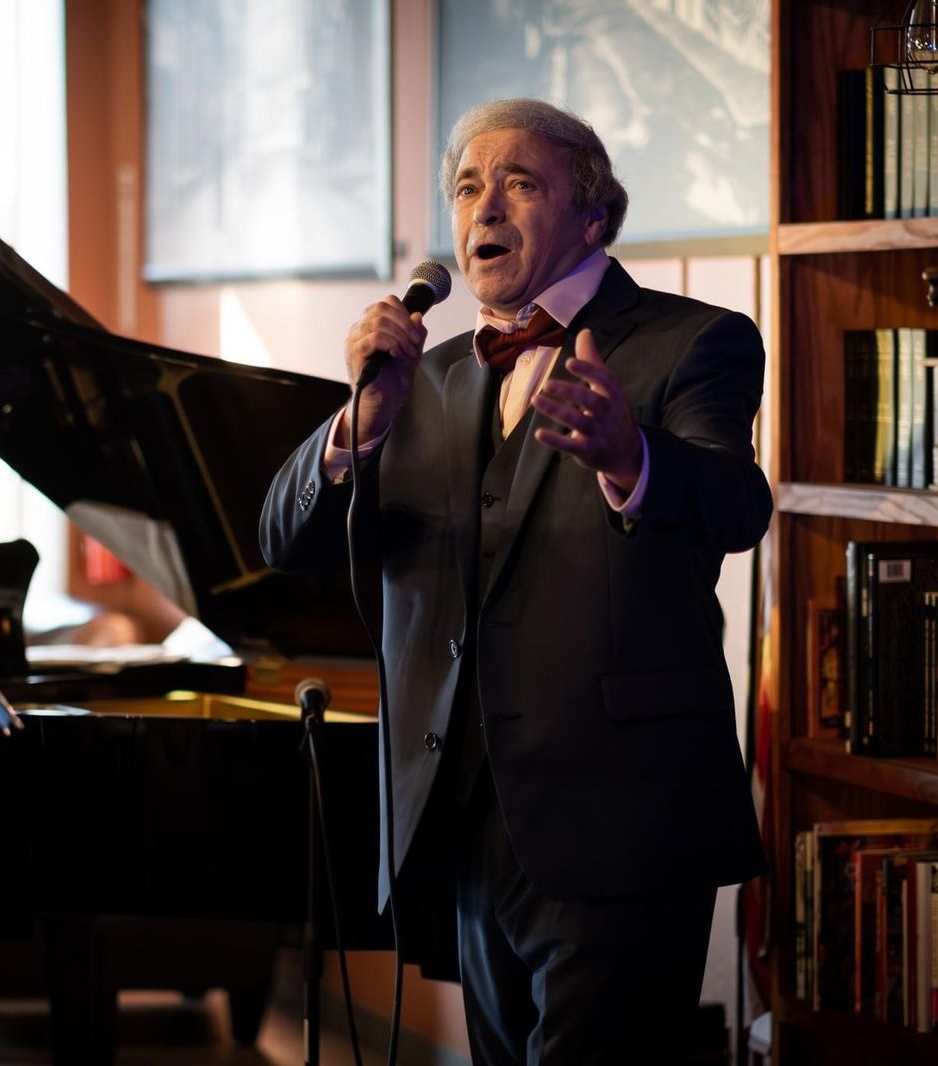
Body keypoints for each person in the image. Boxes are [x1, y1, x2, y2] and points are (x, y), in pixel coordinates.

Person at [259, 98, 770, 1064]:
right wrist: (358, 425)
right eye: (466, 188)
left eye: (519, 182)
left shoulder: (696, 340)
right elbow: (285, 538)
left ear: (595, 214)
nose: (484, 207)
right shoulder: (418, 376)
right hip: (459, 820)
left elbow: (738, 507)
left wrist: (631, 457)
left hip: (621, 821)